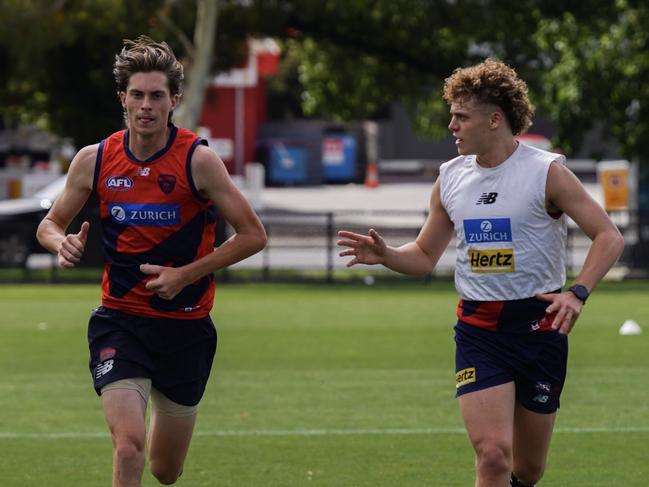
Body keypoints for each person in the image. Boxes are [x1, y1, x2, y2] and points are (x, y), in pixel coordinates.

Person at [338, 59, 623, 487]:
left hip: (539, 327)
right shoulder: (450, 179)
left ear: (494, 120)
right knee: (492, 454)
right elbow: (422, 256)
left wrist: (577, 293)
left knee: (527, 469)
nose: (451, 125)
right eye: (451, 115)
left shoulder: (547, 172)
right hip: (479, 329)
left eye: (461, 116)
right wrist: (387, 255)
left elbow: (608, 236)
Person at [37, 36, 267, 486]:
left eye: (156, 96)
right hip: (120, 321)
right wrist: (58, 243)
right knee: (128, 445)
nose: (146, 105)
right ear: (123, 98)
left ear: (173, 101)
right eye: (137, 95)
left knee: (165, 469)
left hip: (185, 328)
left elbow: (254, 235)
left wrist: (186, 274)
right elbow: (49, 223)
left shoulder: (198, 161)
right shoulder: (95, 159)